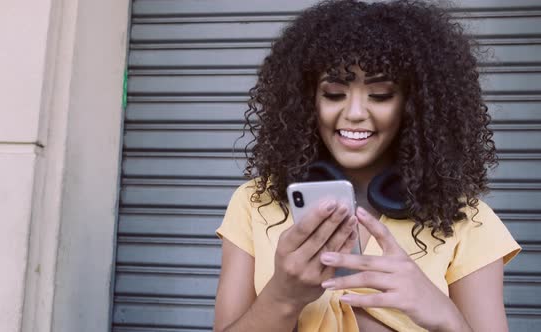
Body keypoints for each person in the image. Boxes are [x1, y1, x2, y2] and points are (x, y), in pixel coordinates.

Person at [213, 0, 521, 331]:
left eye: (380, 94)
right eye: (333, 94)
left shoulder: (468, 222)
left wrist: (444, 315)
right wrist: (282, 297)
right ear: (308, 99)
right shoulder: (254, 203)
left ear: (413, 105)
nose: (355, 112)